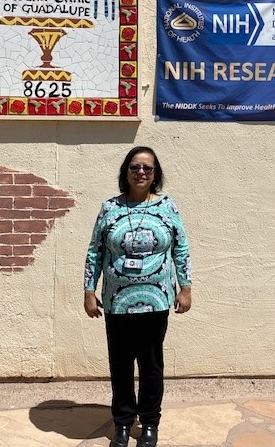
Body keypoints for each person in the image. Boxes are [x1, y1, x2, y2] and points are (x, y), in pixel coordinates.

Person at [84, 146, 192, 447]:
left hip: (156, 300)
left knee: (150, 364)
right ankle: (122, 422)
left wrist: (185, 287)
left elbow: (181, 247)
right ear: (126, 172)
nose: (141, 172)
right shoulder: (109, 208)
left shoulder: (167, 206)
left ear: (155, 174)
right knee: (120, 365)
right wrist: (88, 290)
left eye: (147, 168)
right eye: (135, 167)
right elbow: (96, 250)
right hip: (117, 301)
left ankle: (149, 423)